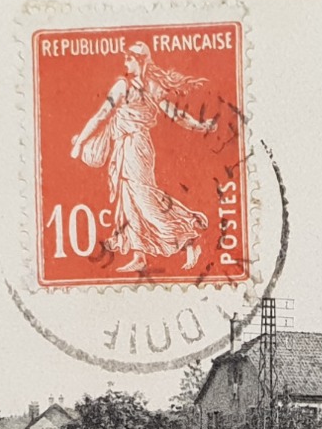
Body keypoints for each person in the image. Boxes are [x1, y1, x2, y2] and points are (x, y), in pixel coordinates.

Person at [69, 42, 217, 274]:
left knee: (144, 199)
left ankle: (188, 236)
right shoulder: (147, 86)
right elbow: (175, 115)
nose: (125, 63)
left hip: (135, 147)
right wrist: (199, 125)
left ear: (140, 60)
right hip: (129, 146)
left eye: (128, 58)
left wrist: (79, 142)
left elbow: (101, 116)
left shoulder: (126, 86)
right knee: (129, 201)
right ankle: (140, 255)